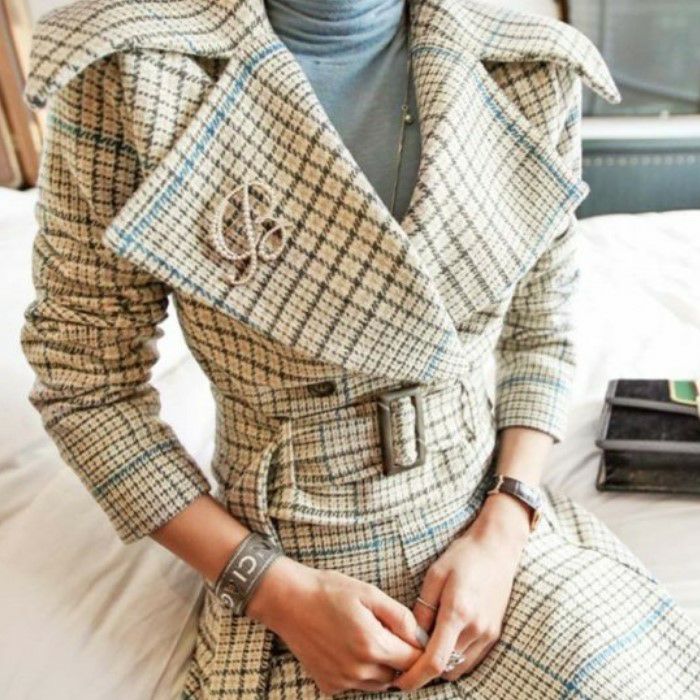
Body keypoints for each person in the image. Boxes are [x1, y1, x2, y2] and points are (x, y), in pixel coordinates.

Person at [20, 0, 700, 698]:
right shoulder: (128, 77)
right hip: (293, 576)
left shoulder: (528, 66)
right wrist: (269, 588)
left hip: (492, 536)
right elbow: (86, 384)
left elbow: (542, 329)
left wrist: (508, 520)